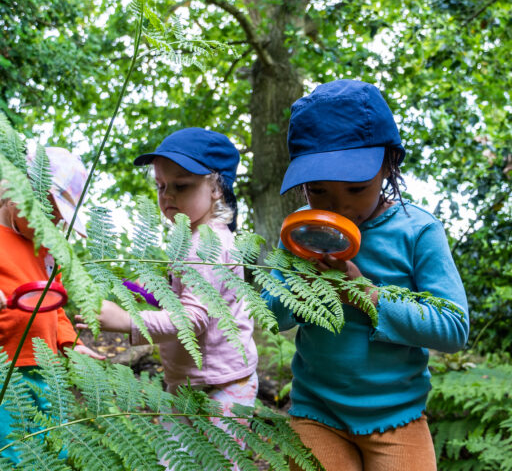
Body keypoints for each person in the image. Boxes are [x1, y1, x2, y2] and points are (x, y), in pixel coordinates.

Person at [263, 80, 469, 471]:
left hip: (397, 418)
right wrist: (301, 289)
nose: (338, 206)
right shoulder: (300, 233)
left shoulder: (418, 232)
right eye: (318, 190)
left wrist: (367, 297)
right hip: (315, 413)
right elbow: (271, 315)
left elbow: (454, 327)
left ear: (389, 164)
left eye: (357, 188)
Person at [76, 127, 258, 468]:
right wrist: (153, 293)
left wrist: (128, 321)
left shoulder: (206, 244)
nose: (167, 195)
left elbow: (193, 318)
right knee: (173, 460)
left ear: (217, 188)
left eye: (182, 184)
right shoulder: (191, 238)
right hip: (190, 379)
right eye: (161, 185)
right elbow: (192, 300)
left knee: (217, 463)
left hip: (222, 385)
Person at [0, 146, 104, 464]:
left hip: (47, 370)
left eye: (59, 220)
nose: (52, 224)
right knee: (15, 452)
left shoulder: (48, 251)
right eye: (47, 212)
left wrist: (71, 342)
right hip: (5, 374)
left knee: (51, 448)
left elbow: (55, 306)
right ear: (16, 189)